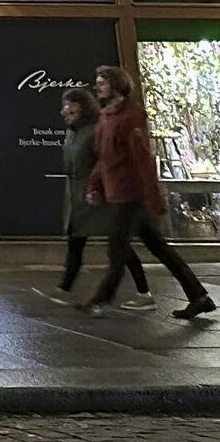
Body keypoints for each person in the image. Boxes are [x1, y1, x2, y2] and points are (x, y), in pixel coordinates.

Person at [82, 64, 216, 319]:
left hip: (131, 195)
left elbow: (143, 159)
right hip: (119, 194)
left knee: (117, 248)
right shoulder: (105, 119)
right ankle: (198, 296)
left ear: (117, 86)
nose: (97, 87)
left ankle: (100, 299)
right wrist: (94, 185)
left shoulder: (131, 117)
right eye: (97, 82)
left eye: (103, 82)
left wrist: (153, 198)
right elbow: (104, 159)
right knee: (159, 248)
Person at [38, 87, 151, 310]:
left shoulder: (94, 130)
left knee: (120, 246)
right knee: (76, 241)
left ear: (83, 106)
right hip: (77, 195)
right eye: (64, 105)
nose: (65, 110)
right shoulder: (72, 133)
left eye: (70, 104)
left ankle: (143, 291)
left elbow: (104, 160)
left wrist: (95, 186)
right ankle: (64, 288)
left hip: (97, 195)